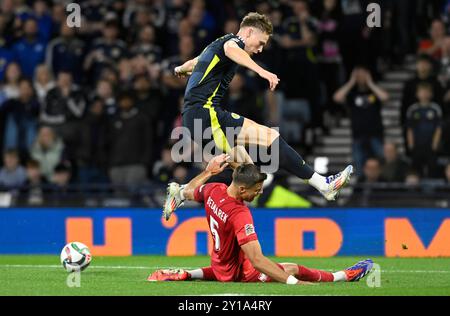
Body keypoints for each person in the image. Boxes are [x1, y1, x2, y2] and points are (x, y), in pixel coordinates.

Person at [164, 12, 353, 220]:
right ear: (249, 31)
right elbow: (232, 49)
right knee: (256, 162)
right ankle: (184, 193)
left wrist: (181, 68)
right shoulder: (231, 42)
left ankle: (182, 192)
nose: (260, 49)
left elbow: (195, 62)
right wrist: (262, 71)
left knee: (253, 168)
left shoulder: (216, 46)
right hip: (204, 114)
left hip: (205, 115)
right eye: (260, 42)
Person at [149, 154, 373, 284]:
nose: (259, 193)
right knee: (292, 268)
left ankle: (187, 273)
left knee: (225, 268)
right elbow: (256, 261)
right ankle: (343, 276)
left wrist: (209, 171)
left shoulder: (213, 189)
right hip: (240, 273)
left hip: (220, 265)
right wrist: (296, 284)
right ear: (243, 188)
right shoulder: (240, 213)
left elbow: (186, 192)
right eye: (256, 190)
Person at [333, 66, 389, 176]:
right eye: (358, 75)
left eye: (364, 75)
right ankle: (361, 191)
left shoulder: (374, 93)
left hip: (376, 135)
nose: (361, 77)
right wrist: (351, 81)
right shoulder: (352, 95)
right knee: (359, 166)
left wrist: (370, 82)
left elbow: (385, 97)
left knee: (382, 163)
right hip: (358, 136)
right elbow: (337, 97)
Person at [406, 82, 443, 178]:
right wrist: (411, 144)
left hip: (430, 145)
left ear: (431, 94)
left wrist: (435, 144)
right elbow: (410, 128)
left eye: (426, 92)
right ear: (417, 94)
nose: (424, 94)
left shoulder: (435, 108)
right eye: (422, 92)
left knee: (432, 168)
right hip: (417, 144)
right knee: (416, 169)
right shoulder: (413, 109)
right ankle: (416, 190)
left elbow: (438, 128)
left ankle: (432, 190)